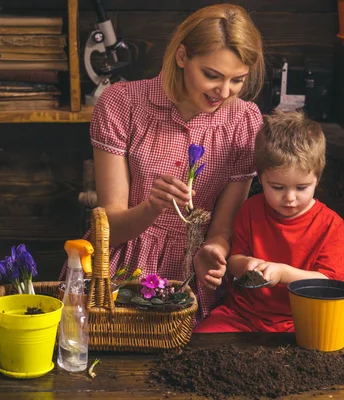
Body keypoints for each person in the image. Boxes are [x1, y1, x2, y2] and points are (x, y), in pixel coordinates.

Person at [60, 4, 266, 323]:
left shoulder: (244, 121)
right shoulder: (122, 103)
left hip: (190, 275)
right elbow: (108, 231)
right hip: (118, 271)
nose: (224, 92)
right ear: (182, 57)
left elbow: (223, 228)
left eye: (237, 80)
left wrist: (213, 251)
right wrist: (151, 207)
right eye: (211, 75)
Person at [194, 110, 344, 333]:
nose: (290, 197)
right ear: (260, 177)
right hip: (242, 315)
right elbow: (234, 260)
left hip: (300, 320)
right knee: (203, 337)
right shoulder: (250, 209)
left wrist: (282, 274)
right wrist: (246, 265)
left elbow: (329, 283)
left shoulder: (330, 224)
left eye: (302, 187)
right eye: (277, 187)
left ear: (317, 178)